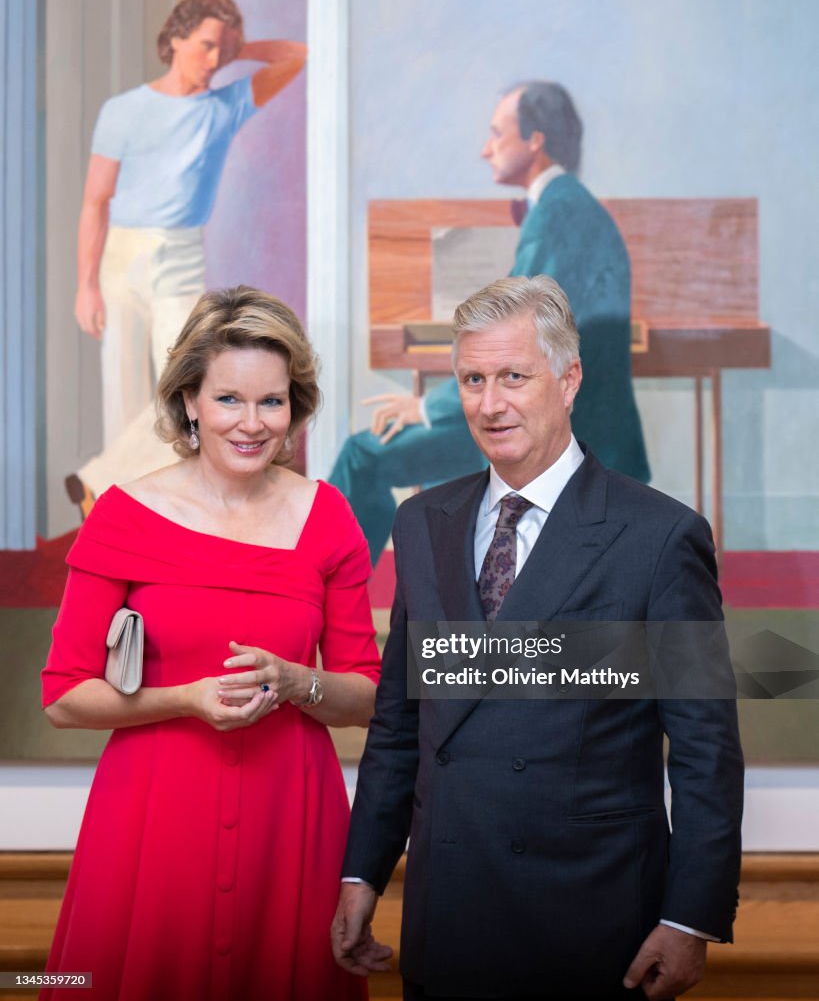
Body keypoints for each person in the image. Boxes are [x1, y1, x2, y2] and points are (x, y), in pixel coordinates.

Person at [331, 276, 743, 1000]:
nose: (490, 404)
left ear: (568, 377)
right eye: (472, 380)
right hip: (447, 913)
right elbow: (399, 723)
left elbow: (706, 749)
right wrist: (363, 870)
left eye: (513, 377)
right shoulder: (422, 524)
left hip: (594, 919)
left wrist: (691, 916)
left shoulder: (659, 536)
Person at [43, 287, 379, 1000]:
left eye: (272, 402)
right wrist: (184, 700)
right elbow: (65, 695)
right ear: (189, 400)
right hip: (151, 819)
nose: (252, 424)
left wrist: (297, 682)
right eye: (229, 399)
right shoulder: (123, 517)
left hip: (291, 820)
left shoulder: (328, 518)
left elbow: (366, 695)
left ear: (295, 407)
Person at [329, 80, 649, 568]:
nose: (485, 149)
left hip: (556, 431)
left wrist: (426, 405)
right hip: (554, 416)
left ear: (535, 140)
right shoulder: (567, 205)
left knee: (363, 454)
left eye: (497, 134)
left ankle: (327, 596)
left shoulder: (558, 212)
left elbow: (516, 344)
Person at [67, 0, 306, 518]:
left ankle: (99, 484)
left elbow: (297, 56)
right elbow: (94, 200)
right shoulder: (123, 110)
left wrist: (241, 45)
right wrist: (85, 283)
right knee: (123, 392)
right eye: (205, 45)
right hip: (120, 256)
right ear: (174, 39)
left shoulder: (229, 103)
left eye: (225, 48)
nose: (215, 59)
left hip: (177, 254)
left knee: (182, 386)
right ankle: (120, 513)